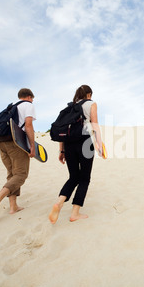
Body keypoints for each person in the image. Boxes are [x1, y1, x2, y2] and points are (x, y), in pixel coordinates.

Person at [49, 85, 103, 224]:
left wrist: (62, 151)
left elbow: (63, 131)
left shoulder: (70, 107)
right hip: (85, 142)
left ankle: (59, 202)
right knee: (84, 178)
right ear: (89, 94)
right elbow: (95, 124)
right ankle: (75, 213)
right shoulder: (91, 104)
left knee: (73, 177)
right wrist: (99, 144)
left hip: (68, 144)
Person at [0, 88, 36, 222]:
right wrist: (32, 145)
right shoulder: (28, 105)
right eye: (32, 98)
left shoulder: (10, 106)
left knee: (11, 174)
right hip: (15, 144)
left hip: (1, 143)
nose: (32, 101)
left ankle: (13, 207)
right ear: (29, 97)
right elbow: (28, 125)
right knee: (21, 174)